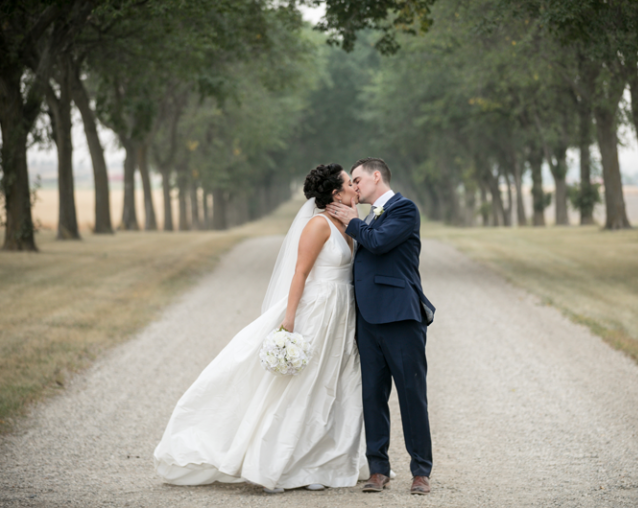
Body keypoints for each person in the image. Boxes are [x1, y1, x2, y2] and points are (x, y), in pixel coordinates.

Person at [153, 164, 369, 493]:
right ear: (335, 193)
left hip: (342, 314)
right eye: (348, 183)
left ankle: (320, 462)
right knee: (303, 385)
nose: (355, 187)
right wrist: (289, 322)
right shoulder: (318, 225)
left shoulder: (349, 223)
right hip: (318, 312)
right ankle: (278, 465)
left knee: (334, 384)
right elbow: (299, 274)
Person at [326, 157, 435, 496]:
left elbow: (378, 242)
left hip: (401, 318)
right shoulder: (370, 216)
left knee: (411, 395)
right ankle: (378, 469)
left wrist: (351, 223)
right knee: (372, 396)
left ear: (377, 176)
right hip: (369, 320)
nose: (354, 187)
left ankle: (420, 471)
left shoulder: (404, 209)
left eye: (357, 180)